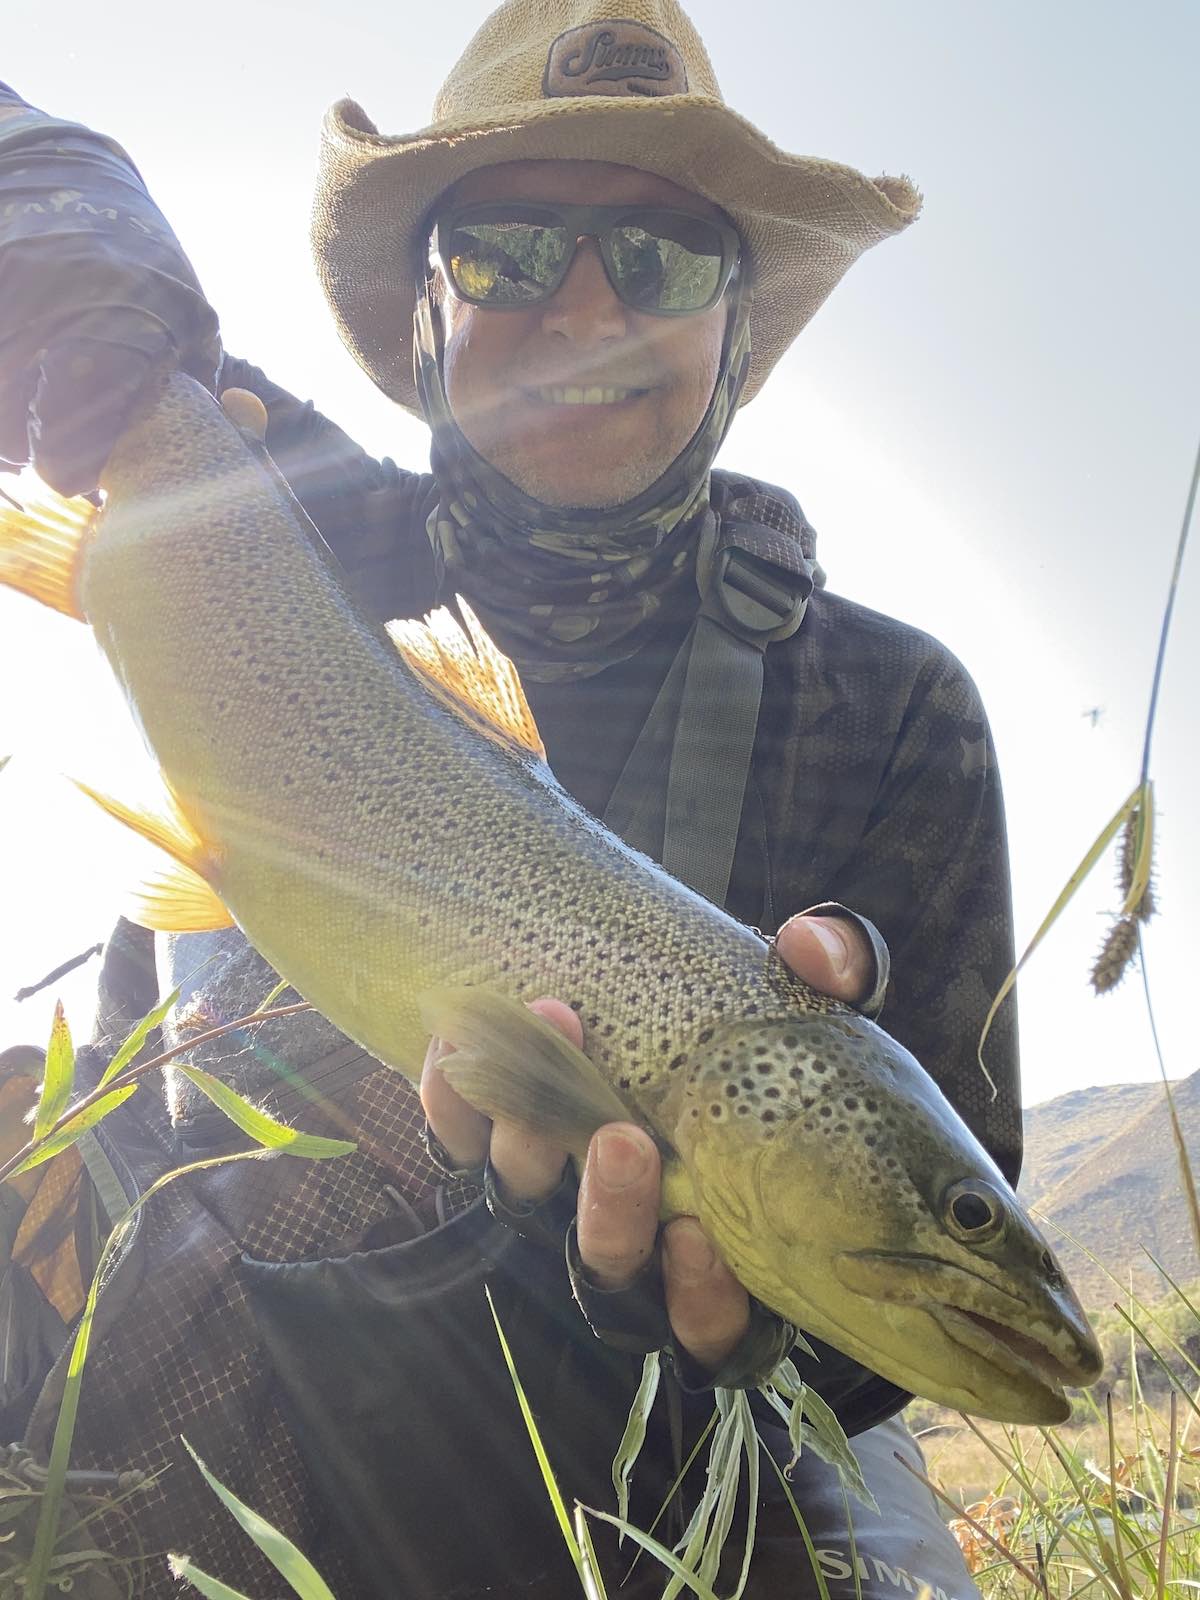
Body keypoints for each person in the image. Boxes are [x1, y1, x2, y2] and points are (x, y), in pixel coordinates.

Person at [0, 2, 1020, 1596]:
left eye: (664, 259)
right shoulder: (289, 500)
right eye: (509, 252)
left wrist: (738, 1317)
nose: (590, 310)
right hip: (250, 1306)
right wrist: (72, 241)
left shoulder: (895, 710)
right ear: (425, 313)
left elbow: (888, 1351)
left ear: (737, 330)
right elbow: (55, 253)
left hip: (702, 1428)